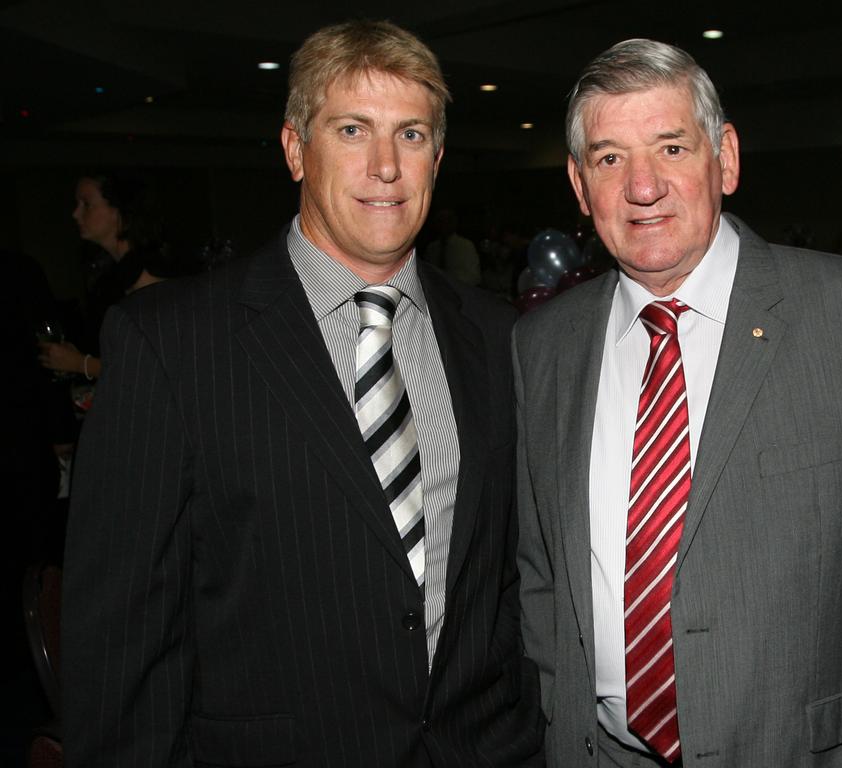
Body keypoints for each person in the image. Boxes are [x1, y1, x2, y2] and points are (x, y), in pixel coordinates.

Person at [62, 20, 543, 767]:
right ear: (295, 148)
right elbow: (122, 636)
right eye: (353, 129)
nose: (385, 165)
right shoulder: (173, 343)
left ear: (437, 159)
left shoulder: (498, 338)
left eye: (411, 135)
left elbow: (510, 572)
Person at [514, 39, 842, 767]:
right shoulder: (543, 347)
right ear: (578, 184)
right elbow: (540, 577)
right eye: (609, 158)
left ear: (724, 157)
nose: (643, 186)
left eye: (670, 147)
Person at [37, 171, 168, 380]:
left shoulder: (145, 272)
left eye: (86, 204)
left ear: (118, 211)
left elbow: (154, 364)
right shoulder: (111, 273)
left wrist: (81, 364)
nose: (75, 214)